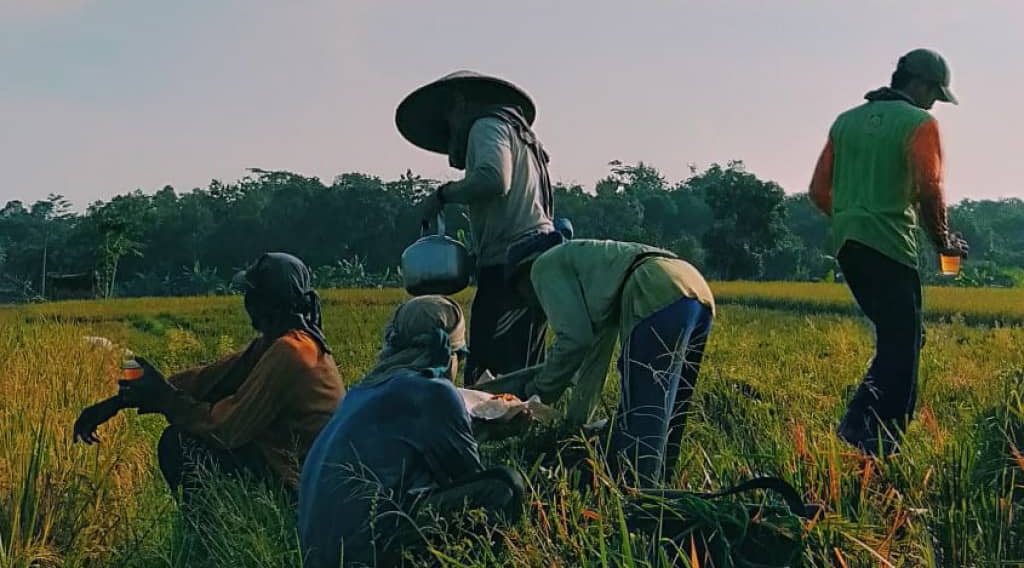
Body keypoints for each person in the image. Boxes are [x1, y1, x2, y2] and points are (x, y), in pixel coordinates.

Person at [72, 252, 345, 497]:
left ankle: (206, 540)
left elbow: (225, 429)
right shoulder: (275, 345)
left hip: (304, 487)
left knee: (179, 443)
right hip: (297, 473)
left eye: (249, 295)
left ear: (262, 302)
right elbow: (206, 379)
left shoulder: (291, 351)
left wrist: (165, 397)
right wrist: (119, 401)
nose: (245, 302)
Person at [809, 48, 969, 456]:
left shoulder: (845, 123)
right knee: (903, 344)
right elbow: (928, 187)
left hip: (848, 244)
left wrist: (851, 217)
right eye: (935, 92)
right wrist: (944, 241)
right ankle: (875, 440)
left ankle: (860, 430)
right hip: (891, 243)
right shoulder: (919, 122)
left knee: (900, 338)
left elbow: (818, 191)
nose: (935, 102)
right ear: (919, 84)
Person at [298, 295, 524, 568]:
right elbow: (467, 474)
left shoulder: (361, 391)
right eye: (459, 356)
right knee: (504, 487)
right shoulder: (433, 391)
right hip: (369, 551)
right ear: (448, 352)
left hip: (322, 555)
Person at [504, 234, 715, 488]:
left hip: (656, 287)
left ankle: (639, 502)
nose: (529, 299)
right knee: (670, 413)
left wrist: (536, 393)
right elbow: (594, 361)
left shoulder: (542, 266)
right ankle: (664, 490)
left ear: (523, 273)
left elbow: (574, 340)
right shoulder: (598, 285)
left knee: (643, 413)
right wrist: (574, 426)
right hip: (694, 288)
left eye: (521, 292)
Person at [396, 70, 555, 385]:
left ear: (461, 104)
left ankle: (500, 429)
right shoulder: (517, 134)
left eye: (450, 117)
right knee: (519, 365)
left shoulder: (486, 126)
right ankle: (519, 427)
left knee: (494, 375)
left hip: (514, 265)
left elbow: (494, 179)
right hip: (525, 260)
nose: (451, 128)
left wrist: (443, 195)